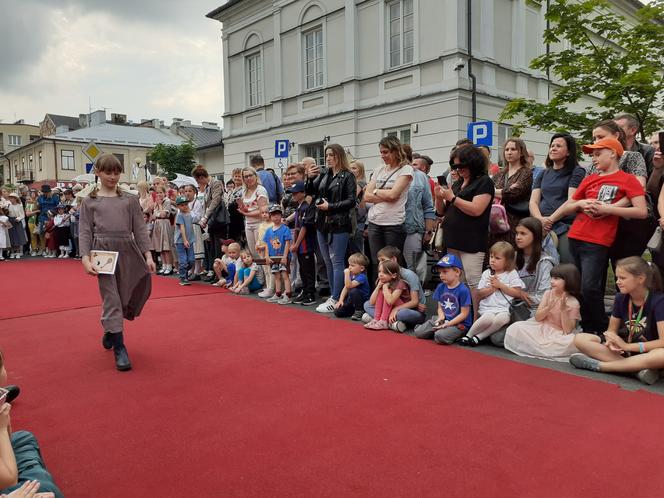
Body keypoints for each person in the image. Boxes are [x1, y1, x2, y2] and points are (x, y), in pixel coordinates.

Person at [79, 154, 156, 371]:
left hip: (128, 251)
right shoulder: (89, 201)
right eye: (107, 172)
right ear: (98, 172)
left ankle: (110, 329)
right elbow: (84, 231)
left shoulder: (130, 199)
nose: (112, 176)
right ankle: (120, 347)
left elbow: (139, 229)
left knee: (127, 295)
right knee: (111, 297)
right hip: (102, 253)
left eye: (116, 172)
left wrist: (148, 255)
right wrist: (85, 259)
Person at [563, 137, 648, 333]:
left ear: (613, 152)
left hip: (598, 240)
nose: (593, 158)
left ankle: (602, 328)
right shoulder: (590, 178)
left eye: (597, 153)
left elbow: (641, 211)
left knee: (590, 287)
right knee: (578, 287)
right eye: (592, 155)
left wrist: (610, 210)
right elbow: (570, 204)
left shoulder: (628, 179)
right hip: (575, 236)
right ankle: (588, 327)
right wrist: (580, 204)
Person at [570, 256, 664, 385]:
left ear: (641, 279)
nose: (618, 282)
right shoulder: (621, 298)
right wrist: (611, 342)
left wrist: (628, 346)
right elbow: (611, 331)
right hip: (626, 350)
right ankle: (637, 370)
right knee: (580, 339)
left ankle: (602, 366)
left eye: (623, 278)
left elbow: (663, 342)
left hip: (649, 351)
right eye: (617, 277)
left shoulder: (659, 301)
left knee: (662, 354)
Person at [434, 144, 495, 310]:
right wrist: (439, 197)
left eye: (461, 166)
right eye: (454, 166)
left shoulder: (484, 182)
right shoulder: (458, 182)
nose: (457, 170)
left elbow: (477, 209)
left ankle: (475, 319)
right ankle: (456, 316)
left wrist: (452, 198)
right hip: (452, 238)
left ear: (472, 163)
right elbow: (441, 211)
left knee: (473, 280)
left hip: (472, 240)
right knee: (456, 280)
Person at [589, 120, 656, 269]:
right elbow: (586, 192)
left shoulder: (632, 157)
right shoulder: (593, 163)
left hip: (627, 223)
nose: (597, 141)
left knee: (623, 268)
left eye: (601, 136)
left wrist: (610, 209)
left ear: (616, 135)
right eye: (594, 138)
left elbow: (639, 187)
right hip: (598, 223)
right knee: (596, 271)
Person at [305, 144, 357, 313]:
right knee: (327, 260)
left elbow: (351, 201)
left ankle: (336, 296)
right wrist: (309, 179)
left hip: (339, 223)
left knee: (337, 261)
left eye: (331, 155)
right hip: (321, 222)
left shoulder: (348, 176)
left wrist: (331, 206)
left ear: (339, 156)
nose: (327, 158)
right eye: (326, 155)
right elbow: (311, 194)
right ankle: (335, 295)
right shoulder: (325, 174)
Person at [490, 217, 556, 347]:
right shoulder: (512, 256)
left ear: (536, 236)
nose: (518, 237)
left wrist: (520, 294)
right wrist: (516, 293)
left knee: (497, 338)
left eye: (523, 234)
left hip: (531, 311)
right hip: (506, 305)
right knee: (492, 335)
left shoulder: (545, 262)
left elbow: (544, 297)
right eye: (517, 233)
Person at [528, 133, 586, 264]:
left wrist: (550, 220)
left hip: (564, 225)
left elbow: (572, 200)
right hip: (541, 225)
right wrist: (540, 220)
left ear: (568, 152)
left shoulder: (577, 171)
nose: (553, 148)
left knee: (565, 264)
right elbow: (533, 201)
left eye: (558, 146)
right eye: (552, 146)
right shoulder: (543, 173)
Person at [504, 264, 582, 362]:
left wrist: (563, 310)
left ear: (568, 280)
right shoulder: (548, 294)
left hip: (558, 334)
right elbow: (538, 318)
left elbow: (567, 330)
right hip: (541, 327)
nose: (551, 281)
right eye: (552, 278)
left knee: (571, 342)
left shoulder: (573, 302)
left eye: (556, 278)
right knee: (516, 328)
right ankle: (543, 349)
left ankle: (540, 348)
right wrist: (548, 308)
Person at [457, 242, 525, 346]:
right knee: (487, 318)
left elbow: (518, 293)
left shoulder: (512, 273)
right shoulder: (487, 273)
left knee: (502, 319)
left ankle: (479, 337)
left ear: (508, 261)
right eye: (491, 256)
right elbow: (479, 294)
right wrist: (491, 288)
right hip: (488, 307)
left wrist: (501, 286)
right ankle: (469, 335)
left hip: (504, 309)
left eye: (497, 258)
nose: (492, 260)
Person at [363, 136, 413, 266]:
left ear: (395, 151)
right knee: (377, 263)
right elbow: (366, 197)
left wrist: (376, 191)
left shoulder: (406, 169)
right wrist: (385, 193)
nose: (382, 156)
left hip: (393, 223)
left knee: (393, 263)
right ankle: (380, 287)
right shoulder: (379, 169)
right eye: (381, 152)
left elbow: (393, 195)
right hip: (374, 222)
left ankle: (398, 287)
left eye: (385, 152)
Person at [362, 246, 427, 332]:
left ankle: (381, 320)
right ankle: (390, 323)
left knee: (402, 313)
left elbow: (415, 302)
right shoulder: (384, 275)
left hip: (411, 309)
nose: (380, 264)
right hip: (391, 304)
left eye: (382, 260)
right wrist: (378, 287)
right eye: (379, 261)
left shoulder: (408, 275)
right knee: (367, 305)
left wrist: (395, 309)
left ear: (393, 259)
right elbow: (372, 302)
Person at [413, 254, 473, 344]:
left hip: (459, 324)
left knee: (439, 336)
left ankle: (446, 333)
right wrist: (441, 317)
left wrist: (448, 324)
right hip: (444, 319)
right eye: (440, 272)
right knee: (419, 332)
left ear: (457, 272)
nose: (441, 275)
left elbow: (464, 314)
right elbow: (440, 307)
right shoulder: (440, 287)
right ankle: (438, 330)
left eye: (445, 272)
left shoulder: (463, 290)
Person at [490, 138, 533, 248]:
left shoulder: (526, 172)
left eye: (513, 149)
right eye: (507, 149)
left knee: (511, 255)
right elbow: (487, 190)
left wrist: (496, 191)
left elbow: (514, 194)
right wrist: (506, 190)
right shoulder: (499, 174)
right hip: (496, 221)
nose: (509, 152)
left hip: (515, 221)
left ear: (521, 153)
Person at [402, 156, 436, 282]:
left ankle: (417, 296)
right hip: (391, 226)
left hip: (413, 227)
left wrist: (428, 231)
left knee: (414, 267)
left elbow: (428, 205)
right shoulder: (386, 173)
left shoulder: (420, 177)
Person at [288, 180, 317, 306]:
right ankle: (305, 291)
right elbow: (297, 228)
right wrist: (295, 243)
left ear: (303, 193)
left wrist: (296, 244)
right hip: (300, 245)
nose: (293, 195)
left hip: (306, 244)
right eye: (292, 193)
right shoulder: (299, 208)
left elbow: (304, 227)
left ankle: (310, 293)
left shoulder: (306, 207)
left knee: (308, 270)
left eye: (296, 193)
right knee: (303, 271)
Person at [364, 260, 410, 330]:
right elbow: (372, 302)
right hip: (388, 308)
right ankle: (377, 319)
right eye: (379, 271)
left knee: (386, 291)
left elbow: (390, 301)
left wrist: (385, 287)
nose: (380, 274)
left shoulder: (400, 283)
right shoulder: (381, 281)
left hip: (401, 308)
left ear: (394, 275)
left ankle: (383, 321)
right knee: (366, 304)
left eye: (385, 272)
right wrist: (378, 287)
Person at [262, 204, 293, 304]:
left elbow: (288, 243)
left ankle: (288, 295)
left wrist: (285, 256)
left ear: (281, 215)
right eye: (273, 215)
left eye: (278, 214)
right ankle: (278, 293)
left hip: (283, 256)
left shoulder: (285, 229)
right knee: (276, 275)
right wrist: (266, 256)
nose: (276, 217)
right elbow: (267, 244)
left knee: (285, 275)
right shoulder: (268, 231)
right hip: (273, 257)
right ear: (270, 217)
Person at [334, 253, 371, 320]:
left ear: (362, 268)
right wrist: (340, 300)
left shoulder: (362, 277)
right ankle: (354, 311)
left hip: (362, 301)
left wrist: (346, 273)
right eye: (349, 265)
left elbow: (349, 285)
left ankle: (360, 311)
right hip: (351, 301)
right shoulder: (351, 276)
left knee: (353, 290)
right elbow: (345, 287)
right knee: (337, 312)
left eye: (352, 265)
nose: (349, 267)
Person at [174, 196, 195, 286]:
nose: (185, 206)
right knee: (183, 260)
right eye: (182, 205)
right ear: (178, 207)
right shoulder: (179, 215)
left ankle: (184, 272)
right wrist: (185, 240)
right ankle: (183, 277)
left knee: (191, 260)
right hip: (180, 241)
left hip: (190, 240)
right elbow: (182, 228)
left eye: (186, 204)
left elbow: (195, 219)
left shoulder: (190, 214)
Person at [151, 191, 173, 275]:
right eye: (157, 193)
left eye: (160, 192)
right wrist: (158, 212)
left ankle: (169, 266)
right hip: (158, 224)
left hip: (164, 223)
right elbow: (153, 216)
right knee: (160, 246)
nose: (158, 194)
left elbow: (163, 214)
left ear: (164, 193)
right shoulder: (156, 202)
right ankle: (164, 265)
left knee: (166, 246)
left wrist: (160, 205)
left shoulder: (166, 201)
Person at [6, 194, 26, 259]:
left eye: (12, 198)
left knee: (18, 237)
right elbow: (7, 213)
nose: (11, 199)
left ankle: (17, 252)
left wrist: (19, 218)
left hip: (17, 221)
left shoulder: (19, 206)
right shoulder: (8, 205)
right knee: (11, 236)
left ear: (15, 199)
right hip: (10, 221)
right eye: (10, 198)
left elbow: (23, 215)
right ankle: (12, 252)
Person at [24, 191, 39, 256]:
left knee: (39, 236)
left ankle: (41, 249)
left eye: (29, 199)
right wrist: (36, 211)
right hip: (30, 221)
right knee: (32, 236)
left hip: (38, 221)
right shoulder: (27, 205)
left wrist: (32, 212)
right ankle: (34, 249)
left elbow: (40, 210)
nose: (28, 200)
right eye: (27, 199)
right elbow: (27, 214)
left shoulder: (38, 203)